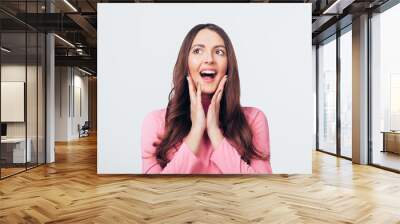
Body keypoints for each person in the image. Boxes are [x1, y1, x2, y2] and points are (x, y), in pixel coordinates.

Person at [141, 23, 272, 174]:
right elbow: (155, 193)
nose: (209, 59)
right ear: (186, 63)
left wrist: (215, 132)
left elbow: (262, 190)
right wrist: (196, 130)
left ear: (229, 66)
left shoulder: (253, 120)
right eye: (197, 51)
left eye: (219, 52)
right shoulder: (155, 123)